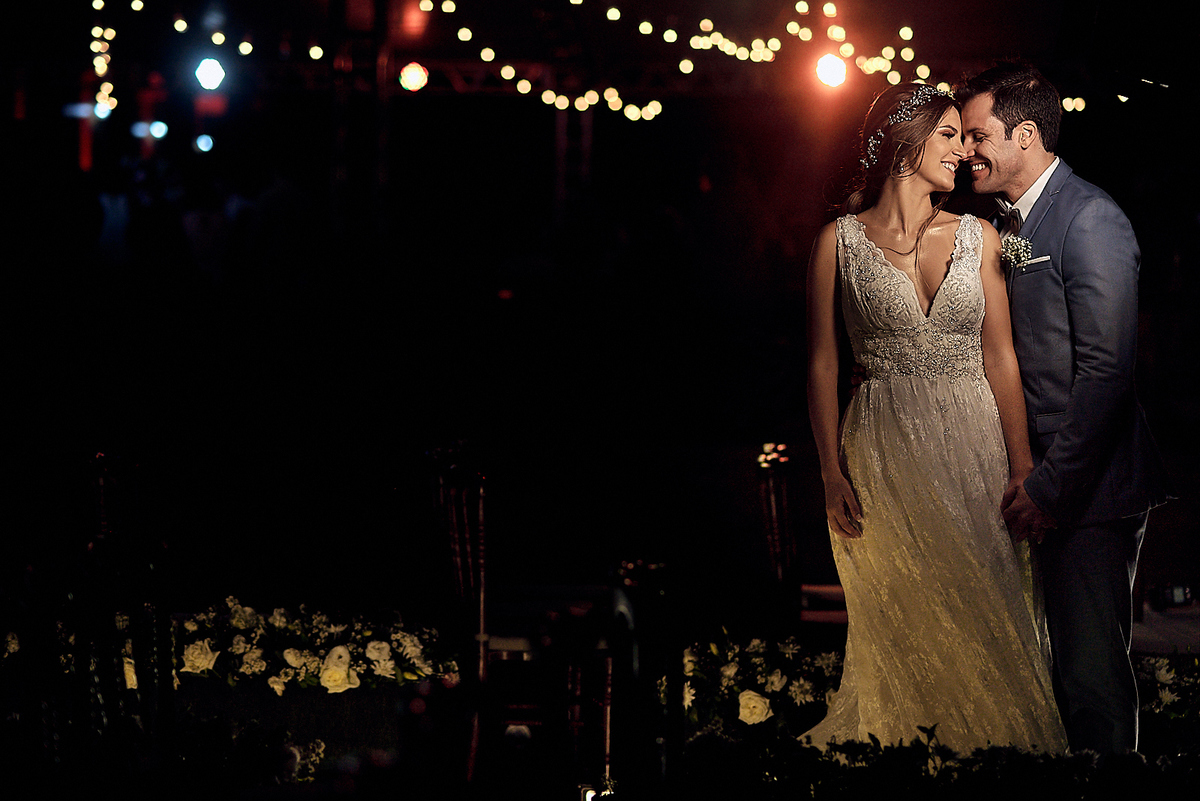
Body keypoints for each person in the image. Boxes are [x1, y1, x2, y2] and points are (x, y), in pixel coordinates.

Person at [803, 82, 1067, 753]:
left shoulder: (980, 235)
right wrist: (830, 471)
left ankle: (1000, 761)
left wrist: (1023, 465)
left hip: (975, 444)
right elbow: (824, 364)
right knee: (903, 614)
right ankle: (908, 762)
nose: (963, 150)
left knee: (985, 605)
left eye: (966, 137)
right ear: (906, 141)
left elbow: (1001, 356)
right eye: (949, 135)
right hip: (882, 448)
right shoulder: (838, 242)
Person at [957, 62, 1171, 755]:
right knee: (1046, 675)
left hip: (1087, 491)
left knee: (1090, 678)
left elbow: (1107, 373)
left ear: (1025, 135)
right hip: (1031, 483)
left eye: (978, 135)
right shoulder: (1004, 221)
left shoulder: (1091, 217)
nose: (966, 150)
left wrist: (1049, 487)